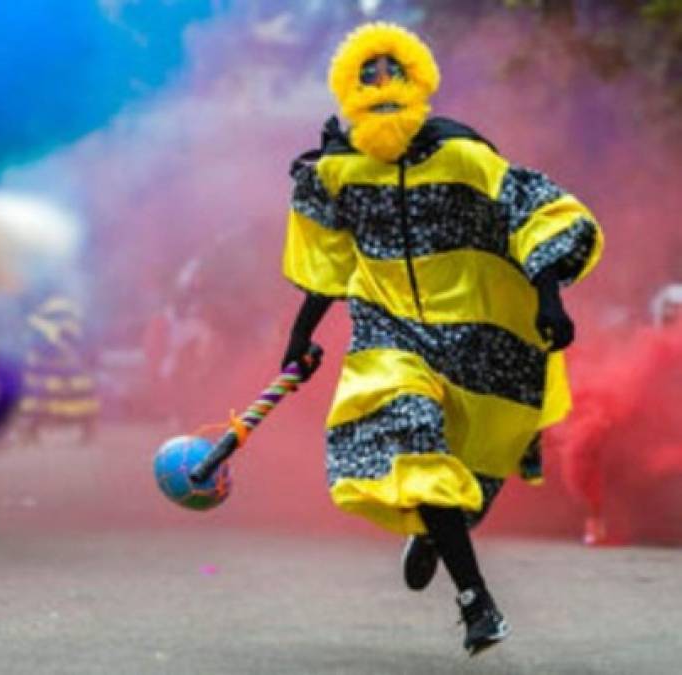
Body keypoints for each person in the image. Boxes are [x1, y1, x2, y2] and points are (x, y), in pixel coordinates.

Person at [280, 22, 603, 655]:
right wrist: (299, 337)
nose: (381, 90)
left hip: (473, 333)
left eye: (393, 79)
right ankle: (477, 602)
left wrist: (548, 296)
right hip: (386, 333)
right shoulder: (337, 174)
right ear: (349, 95)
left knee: (474, 468)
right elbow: (331, 264)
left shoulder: (461, 156)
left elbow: (535, 211)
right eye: (367, 82)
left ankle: (435, 531)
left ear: (418, 87)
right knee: (411, 434)